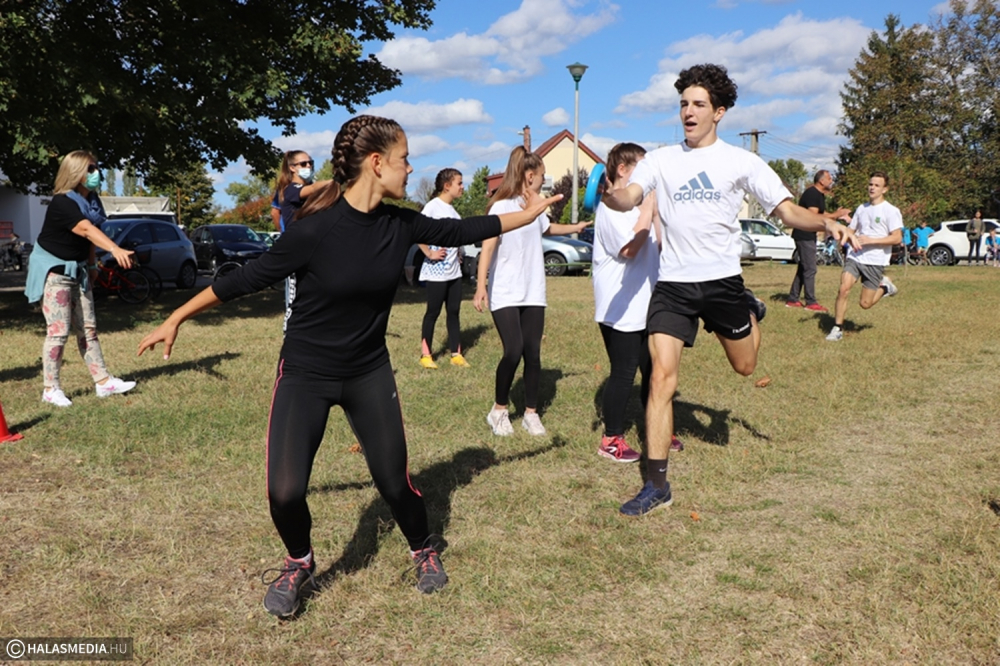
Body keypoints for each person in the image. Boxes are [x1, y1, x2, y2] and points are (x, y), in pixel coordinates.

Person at [137, 115, 561, 618]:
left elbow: (470, 226)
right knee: (285, 490)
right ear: (377, 164)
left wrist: (530, 212)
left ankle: (423, 546)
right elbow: (245, 280)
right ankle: (300, 560)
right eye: (404, 159)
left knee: (394, 482)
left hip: (367, 372)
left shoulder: (400, 223)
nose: (410, 168)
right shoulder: (313, 231)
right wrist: (176, 317)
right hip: (305, 373)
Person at [603, 64, 856, 516]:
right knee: (661, 378)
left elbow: (788, 212)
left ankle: (751, 311)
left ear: (719, 112)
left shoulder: (741, 162)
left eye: (698, 104)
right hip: (674, 285)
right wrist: (610, 196)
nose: (688, 112)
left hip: (722, 285)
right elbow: (631, 195)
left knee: (745, 366)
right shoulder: (660, 159)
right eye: (683, 103)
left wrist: (826, 221)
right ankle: (657, 484)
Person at [474, 146, 590, 438]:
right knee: (513, 351)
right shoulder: (501, 207)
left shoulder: (535, 208)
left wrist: (576, 226)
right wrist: (480, 287)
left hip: (533, 290)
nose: (543, 180)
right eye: (541, 176)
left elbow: (547, 228)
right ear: (529, 176)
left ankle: (530, 413)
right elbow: (487, 248)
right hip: (505, 291)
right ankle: (499, 410)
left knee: (533, 354)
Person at [24, 151, 137, 407]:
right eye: (90, 169)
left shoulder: (92, 202)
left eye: (96, 168)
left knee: (88, 328)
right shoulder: (62, 202)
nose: (96, 174)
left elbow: (88, 237)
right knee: (58, 331)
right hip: (55, 273)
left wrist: (92, 264)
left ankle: (103, 382)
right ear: (76, 173)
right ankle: (51, 389)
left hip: (79, 271)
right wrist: (115, 249)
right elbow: (86, 229)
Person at [591, 142, 682, 462]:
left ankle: (656, 428)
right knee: (624, 370)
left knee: (654, 369)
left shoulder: (642, 207)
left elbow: (661, 248)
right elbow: (628, 250)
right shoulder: (611, 209)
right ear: (623, 171)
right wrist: (645, 212)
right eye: (642, 169)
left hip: (648, 305)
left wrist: (656, 214)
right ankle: (610, 439)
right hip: (620, 309)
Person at [826, 172, 903, 342]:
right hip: (856, 256)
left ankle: (885, 287)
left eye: (876, 185)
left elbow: (897, 238)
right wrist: (845, 238)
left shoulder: (891, 211)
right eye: (870, 184)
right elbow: (852, 230)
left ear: (884, 189)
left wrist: (871, 240)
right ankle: (837, 328)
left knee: (865, 304)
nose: (872, 187)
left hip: (875, 261)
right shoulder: (862, 208)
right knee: (843, 288)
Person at [417, 168, 470, 369]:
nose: (462, 187)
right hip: (436, 273)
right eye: (460, 183)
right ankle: (426, 355)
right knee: (433, 312)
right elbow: (417, 233)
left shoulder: (454, 213)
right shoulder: (432, 207)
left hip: (454, 273)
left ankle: (456, 353)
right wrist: (429, 253)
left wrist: (460, 254)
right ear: (447, 186)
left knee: (454, 312)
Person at [275, 151, 331, 331]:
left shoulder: (311, 191)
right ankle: (290, 333)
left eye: (311, 163)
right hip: (295, 252)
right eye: (304, 164)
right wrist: (337, 179)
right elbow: (315, 189)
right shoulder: (290, 190)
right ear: (292, 168)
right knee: (294, 298)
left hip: (314, 251)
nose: (309, 167)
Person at [786, 170, 850, 311]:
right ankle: (810, 302)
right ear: (821, 181)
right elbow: (812, 216)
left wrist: (837, 216)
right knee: (810, 269)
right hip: (804, 234)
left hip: (807, 234)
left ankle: (792, 299)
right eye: (829, 178)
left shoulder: (818, 195)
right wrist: (836, 214)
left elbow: (821, 214)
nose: (831, 180)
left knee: (804, 267)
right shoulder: (812, 194)